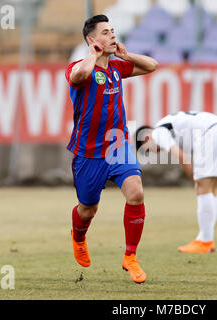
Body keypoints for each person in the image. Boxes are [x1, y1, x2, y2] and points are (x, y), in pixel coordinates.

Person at [65, 14, 158, 283]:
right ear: (91, 40)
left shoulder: (117, 68)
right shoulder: (78, 68)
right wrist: (93, 55)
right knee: (88, 209)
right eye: (105, 32)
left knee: (136, 193)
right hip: (88, 152)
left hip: (118, 145)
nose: (112, 36)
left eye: (113, 31)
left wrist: (128, 56)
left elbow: (152, 66)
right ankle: (79, 236)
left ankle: (130, 256)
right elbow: (81, 74)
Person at [135, 111, 217, 253]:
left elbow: (180, 156)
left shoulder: (158, 133)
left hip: (211, 134)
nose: (154, 153)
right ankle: (205, 238)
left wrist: (196, 180)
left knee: (202, 187)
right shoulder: (168, 124)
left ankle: (205, 242)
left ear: (146, 138)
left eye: (149, 150)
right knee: (212, 187)